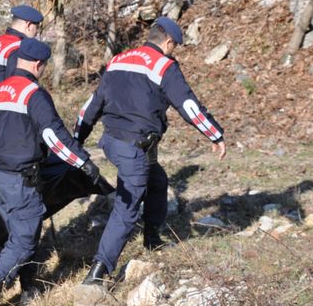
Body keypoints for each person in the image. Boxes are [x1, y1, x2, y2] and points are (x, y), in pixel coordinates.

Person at [73, 16, 227, 285]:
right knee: (127, 208)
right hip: (133, 147)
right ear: (168, 42)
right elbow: (188, 106)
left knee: (157, 180)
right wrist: (215, 134)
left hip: (112, 141)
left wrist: (78, 138)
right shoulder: (163, 66)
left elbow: (92, 105)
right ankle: (97, 272)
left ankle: (152, 238)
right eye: (174, 46)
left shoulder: (119, 59)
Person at [0, 39, 102, 306]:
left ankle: (28, 290)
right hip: (19, 180)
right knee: (24, 239)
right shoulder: (32, 94)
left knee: (23, 231)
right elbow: (53, 135)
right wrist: (83, 162)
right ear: (38, 64)